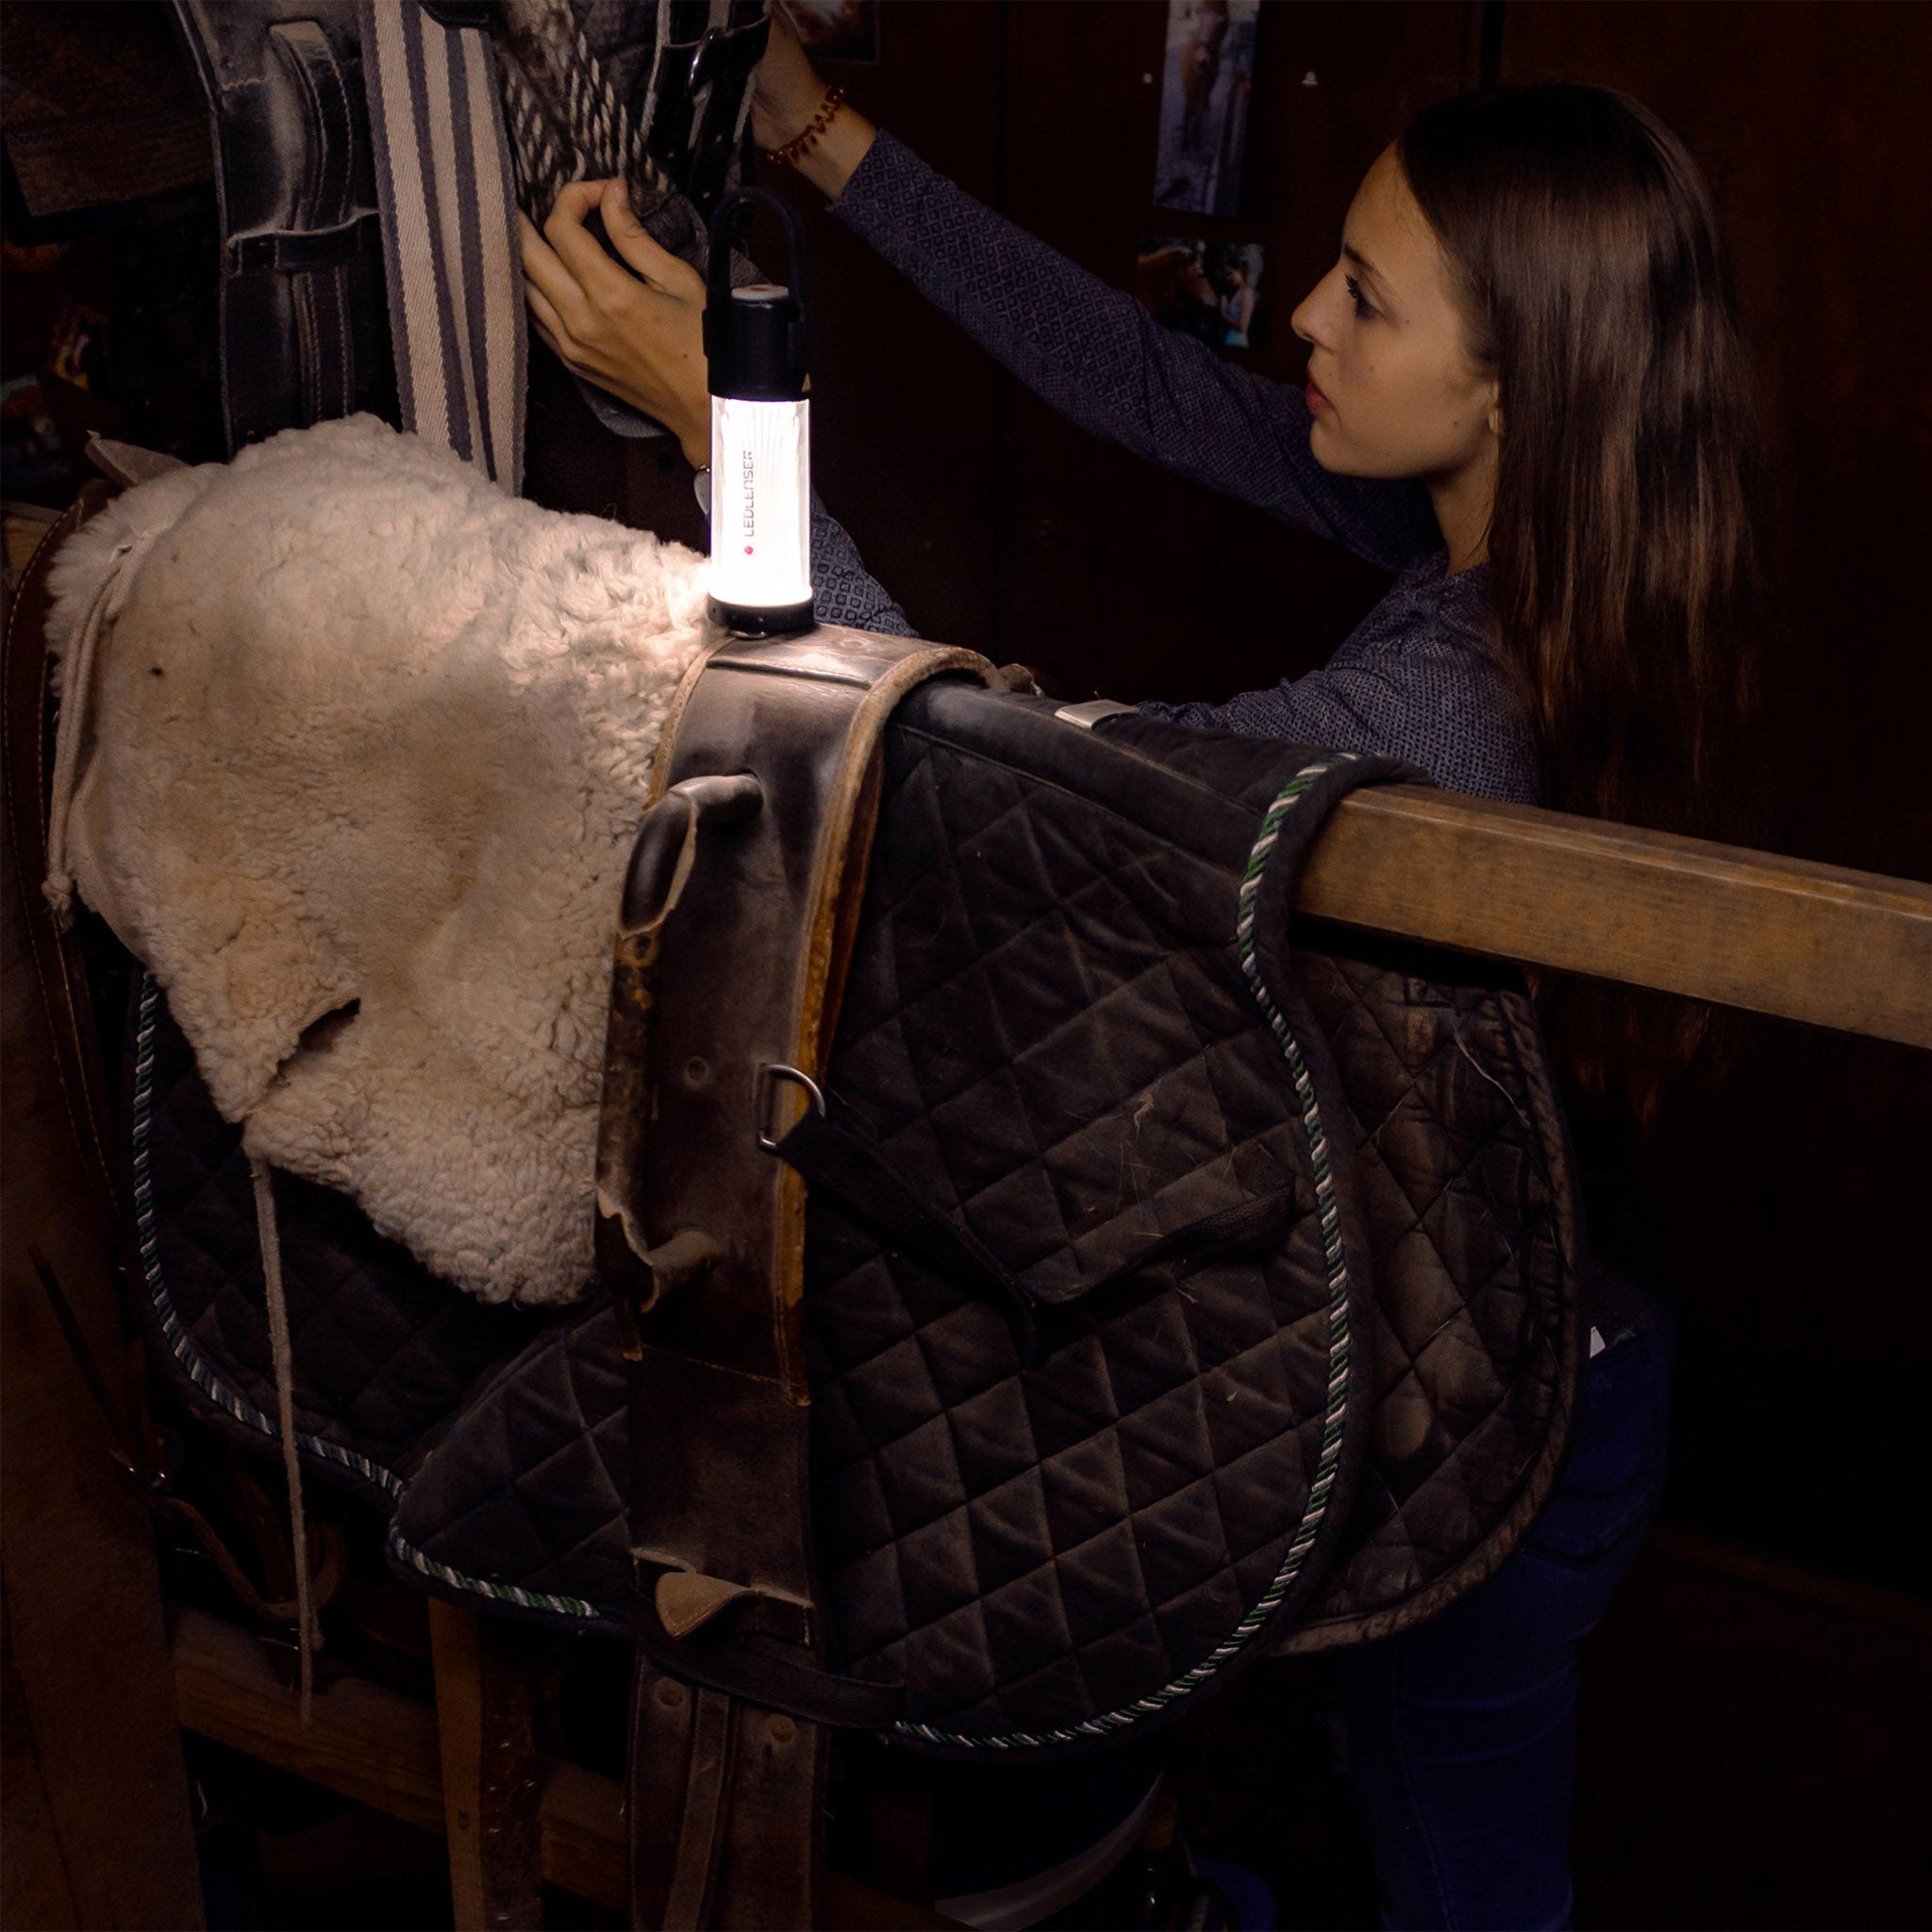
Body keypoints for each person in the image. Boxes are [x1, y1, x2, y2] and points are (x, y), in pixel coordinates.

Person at [517, 21, 1771, 1927]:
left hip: (1519, 1400)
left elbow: (982, 802)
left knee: (1458, 1870)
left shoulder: (1442, 699)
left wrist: (726, 422)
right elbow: (1134, 375)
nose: (1308, 322)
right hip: (1553, 1316)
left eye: (1366, 299)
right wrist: (823, 137)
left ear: (1515, 386)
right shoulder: (1549, 537)